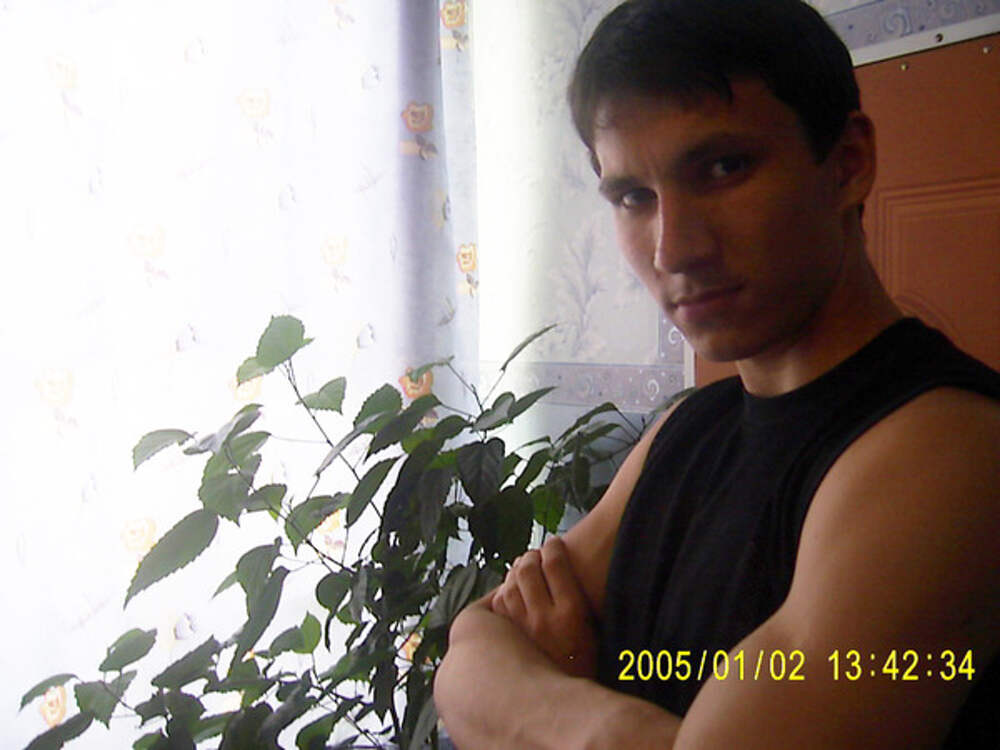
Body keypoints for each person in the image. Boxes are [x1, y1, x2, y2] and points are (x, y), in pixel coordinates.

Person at [433, 0, 1000, 747]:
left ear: (848, 164)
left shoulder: (952, 449)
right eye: (634, 197)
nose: (673, 249)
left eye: (724, 168)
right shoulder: (686, 428)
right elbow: (469, 651)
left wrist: (554, 696)